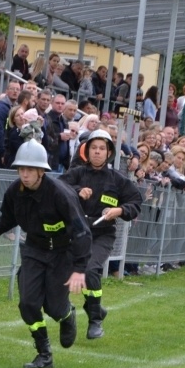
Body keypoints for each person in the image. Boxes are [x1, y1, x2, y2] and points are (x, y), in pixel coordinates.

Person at [0, 137, 91, 368]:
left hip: (62, 253)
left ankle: (67, 315)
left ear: (41, 171)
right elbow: (9, 216)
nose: (24, 175)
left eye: (29, 170)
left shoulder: (61, 194)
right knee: (28, 303)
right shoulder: (14, 192)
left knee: (54, 308)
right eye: (21, 169)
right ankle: (44, 354)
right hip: (34, 250)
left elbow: (81, 233)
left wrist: (79, 269)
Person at [59, 129, 142, 338]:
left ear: (109, 153)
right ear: (87, 151)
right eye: (94, 148)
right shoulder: (76, 173)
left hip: (102, 234)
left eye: (102, 148)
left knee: (89, 270)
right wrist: (77, 191)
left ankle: (95, 321)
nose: (97, 152)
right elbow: (57, 189)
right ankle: (91, 309)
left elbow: (135, 202)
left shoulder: (118, 179)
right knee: (64, 274)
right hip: (76, 233)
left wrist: (120, 210)